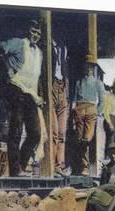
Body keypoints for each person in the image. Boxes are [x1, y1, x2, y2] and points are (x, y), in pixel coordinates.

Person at [0, 20, 44, 177]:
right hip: (15, 88)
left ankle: (21, 167)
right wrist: (7, 68)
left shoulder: (39, 53)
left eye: (38, 33)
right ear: (28, 30)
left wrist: (39, 95)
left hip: (30, 94)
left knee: (35, 134)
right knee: (16, 130)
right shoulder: (18, 43)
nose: (35, 35)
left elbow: (37, 76)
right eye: (33, 31)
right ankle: (15, 170)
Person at [72, 54, 105, 176]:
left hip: (91, 110)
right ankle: (82, 167)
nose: (88, 68)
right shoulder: (79, 82)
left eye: (91, 66)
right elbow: (75, 99)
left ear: (94, 68)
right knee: (79, 139)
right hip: (79, 110)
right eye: (87, 66)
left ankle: (85, 166)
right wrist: (74, 111)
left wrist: (97, 112)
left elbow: (102, 101)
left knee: (87, 138)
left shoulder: (98, 83)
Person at [51, 38, 70, 176]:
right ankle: (51, 165)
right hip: (51, 87)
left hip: (62, 88)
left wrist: (66, 89)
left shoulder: (63, 48)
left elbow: (65, 69)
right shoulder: (44, 46)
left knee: (62, 132)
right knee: (54, 131)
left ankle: (60, 165)